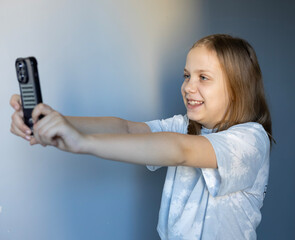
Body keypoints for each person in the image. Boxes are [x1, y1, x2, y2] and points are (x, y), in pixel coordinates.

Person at [10, 34, 274, 240]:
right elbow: (125, 129)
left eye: (203, 77)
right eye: (187, 76)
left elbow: (182, 151)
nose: (188, 87)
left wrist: (83, 143)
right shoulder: (184, 125)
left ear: (237, 90)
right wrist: (56, 122)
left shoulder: (251, 139)